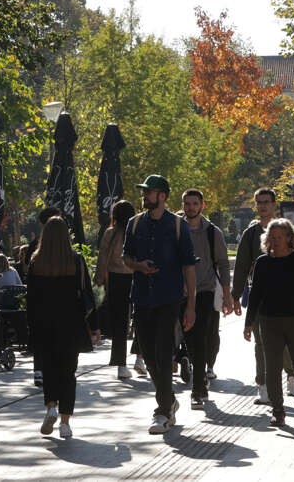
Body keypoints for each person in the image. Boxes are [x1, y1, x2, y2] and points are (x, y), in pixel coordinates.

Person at [123, 174, 197, 435]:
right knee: (149, 355)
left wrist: (191, 307)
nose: (144, 195)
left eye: (149, 192)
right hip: (142, 298)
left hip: (169, 299)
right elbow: (126, 258)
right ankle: (170, 400)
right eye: (144, 191)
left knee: (164, 354)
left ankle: (163, 412)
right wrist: (138, 266)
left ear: (162, 196)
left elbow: (189, 266)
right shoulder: (134, 223)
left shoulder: (178, 225)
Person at [26, 216, 99, 439]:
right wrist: (94, 326)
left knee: (49, 370)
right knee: (68, 373)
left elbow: (30, 299)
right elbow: (87, 294)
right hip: (71, 324)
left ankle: (51, 407)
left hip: (44, 324)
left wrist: (31, 328)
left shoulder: (36, 262)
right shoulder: (76, 261)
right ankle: (65, 423)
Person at [244, 218, 294, 427]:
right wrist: (249, 323)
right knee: (272, 368)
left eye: (280, 236)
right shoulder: (262, 262)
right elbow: (255, 294)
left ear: (289, 237)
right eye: (272, 236)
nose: (276, 240)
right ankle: (278, 410)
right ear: (267, 238)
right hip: (270, 322)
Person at [232, 188, 294, 404]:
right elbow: (241, 265)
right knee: (260, 342)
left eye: (266, 202)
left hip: (286, 298)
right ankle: (263, 385)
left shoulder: (286, 230)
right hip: (259, 298)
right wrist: (235, 295)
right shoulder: (251, 234)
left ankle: (292, 374)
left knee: (285, 342)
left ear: (274, 204)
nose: (262, 206)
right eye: (259, 202)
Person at [179, 189, 233, 410]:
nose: (191, 207)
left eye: (195, 203)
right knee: (188, 338)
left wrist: (227, 295)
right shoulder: (175, 228)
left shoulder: (212, 232)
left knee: (200, 337)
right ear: (182, 205)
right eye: (187, 203)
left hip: (204, 291)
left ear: (202, 205)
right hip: (179, 293)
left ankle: (198, 389)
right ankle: (198, 376)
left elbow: (223, 263)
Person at [96, 199, 136, 380]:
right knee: (141, 318)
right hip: (136, 277)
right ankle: (140, 357)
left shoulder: (110, 233)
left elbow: (102, 258)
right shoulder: (135, 231)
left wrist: (99, 280)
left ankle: (121, 364)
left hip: (115, 279)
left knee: (120, 323)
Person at [25, 206, 60, 388]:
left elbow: (27, 268)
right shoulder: (63, 246)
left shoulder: (34, 246)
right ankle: (54, 369)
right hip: (59, 299)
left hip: (39, 298)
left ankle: (39, 370)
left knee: (40, 336)